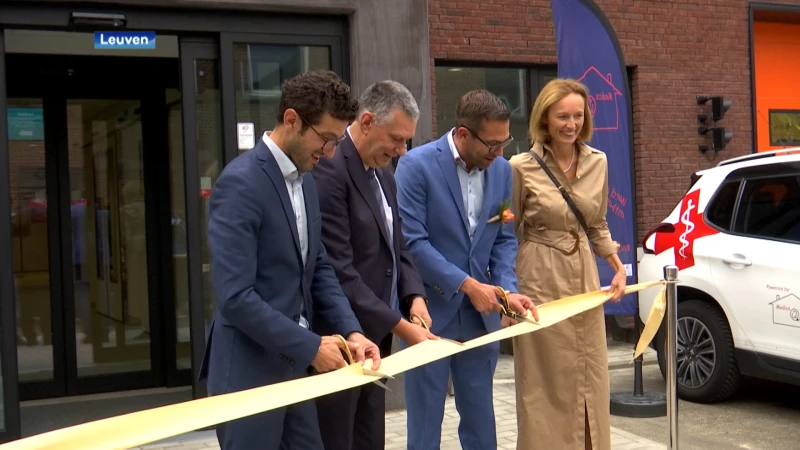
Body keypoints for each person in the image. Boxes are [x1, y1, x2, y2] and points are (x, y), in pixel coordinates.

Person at [198, 69, 383, 450]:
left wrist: (353, 331)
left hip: (294, 369)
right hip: (248, 376)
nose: (331, 152)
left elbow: (319, 269)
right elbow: (235, 298)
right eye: (326, 139)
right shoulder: (240, 184)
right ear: (291, 120)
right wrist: (311, 346)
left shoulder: (307, 181)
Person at [394, 89, 537, 450]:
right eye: (492, 145)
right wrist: (468, 285)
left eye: (505, 143)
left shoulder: (503, 171)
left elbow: (504, 239)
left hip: (480, 319)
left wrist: (506, 291)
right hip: (428, 315)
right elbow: (413, 242)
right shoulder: (415, 165)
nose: (500, 153)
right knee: (425, 425)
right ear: (462, 134)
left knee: (481, 422)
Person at [312, 80, 437, 450]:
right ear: (367, 122)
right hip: (342, 338)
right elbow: (339, 270)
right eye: (396, 139)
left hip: (377, 338)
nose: (402, 150)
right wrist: (401, 325)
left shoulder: (383, 170)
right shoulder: (330, 171)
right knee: (339, 439)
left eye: (407, 141)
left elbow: (397, 244)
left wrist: (414, 296)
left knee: (370, 438)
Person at [509, 78, 627, 450]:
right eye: (562, 116)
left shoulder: (598, 162)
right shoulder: (520, 166)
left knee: (590, 372)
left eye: (577, 116)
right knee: (545, 381)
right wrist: (506, 292)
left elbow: (596, 223)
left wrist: (617, 265)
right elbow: (507, 231)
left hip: (586, 279)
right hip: (539, 278)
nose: (570, 124)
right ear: (545, 119)